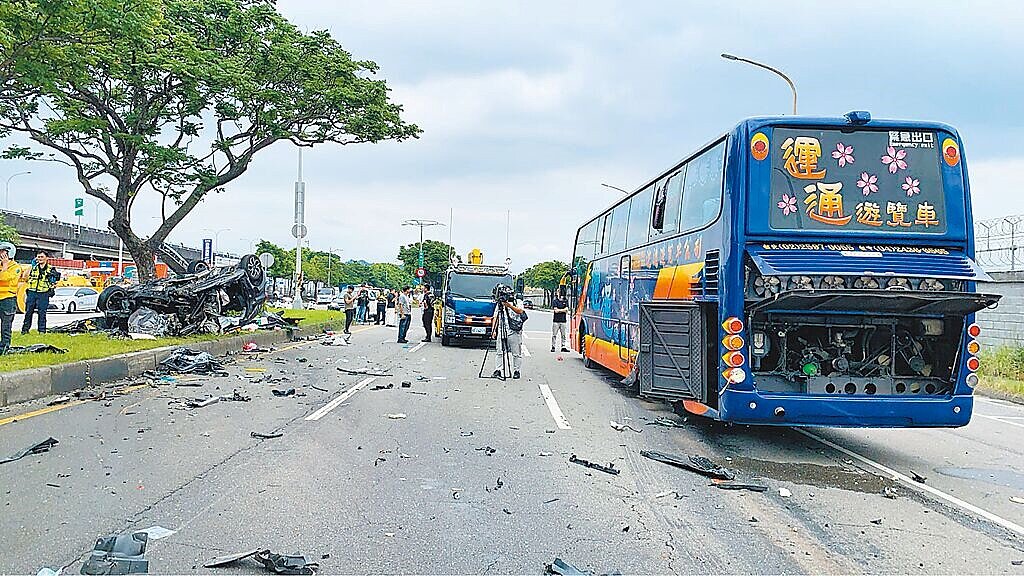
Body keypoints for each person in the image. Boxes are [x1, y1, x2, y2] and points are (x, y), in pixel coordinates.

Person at [491, 290, 528, 379]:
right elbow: (495, 316)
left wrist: (510, 306)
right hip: (502, 329)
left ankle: (516, 371)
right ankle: (498, 370)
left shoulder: (517, 301)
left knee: (516, 353)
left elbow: (520, 311)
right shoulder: (500, 303)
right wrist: (493, 330)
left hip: (514, 331)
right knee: (499, 351)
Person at [21, 250, 59, 334]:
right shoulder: (33, 267)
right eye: (38, 257)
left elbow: (55, 281)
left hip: (44, 293)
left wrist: (52, 285)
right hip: (32, 292)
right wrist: (31, 266)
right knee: (28, 312)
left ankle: (42, 331)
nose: (40, 258)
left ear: (47, 258)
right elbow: (25, 277)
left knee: (42, 313)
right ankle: (25, 330)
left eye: (42, 257)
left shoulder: (51, 269)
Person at [0, 242, 21, 354]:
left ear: (9, 253)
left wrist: (5, 266)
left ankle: (4, 348)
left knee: (6, 326)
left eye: (3, 252)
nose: (0, 254)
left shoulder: (16, 268)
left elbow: (4, 278)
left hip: (8, 299)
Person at [550, 287, 570, 352]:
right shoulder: (555, 301)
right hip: (556, 321)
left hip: (563, 321)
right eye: (558, 292)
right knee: (554, 334)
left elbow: (567, 310)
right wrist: (563, 310)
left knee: (563, 335)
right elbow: (555, 310)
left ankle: (563, 346)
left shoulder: (565, 300)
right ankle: (553, 346)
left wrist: (559, 310)